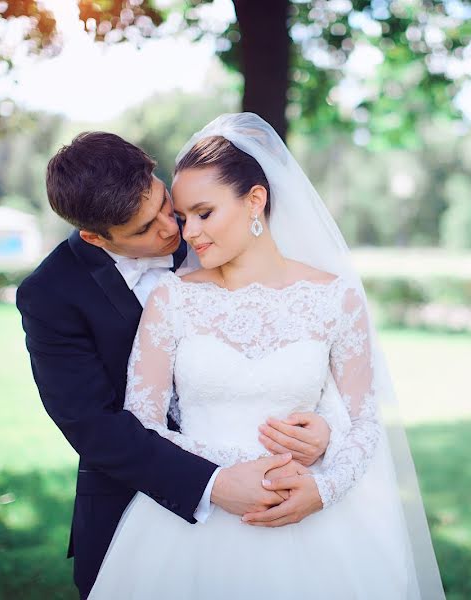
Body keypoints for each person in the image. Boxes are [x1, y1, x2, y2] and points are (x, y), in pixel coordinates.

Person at [87, 113, 445, 599]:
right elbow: (144, 423)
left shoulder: (334, 297)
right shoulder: (171, 299)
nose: (188, 232)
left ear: (255, 199)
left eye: (204, 213)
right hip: (195, 527)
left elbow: (365, 420)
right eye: (184, 215)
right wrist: (229, 475)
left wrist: (324, 487)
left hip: (317, 523)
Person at [17, 131, 343, 599]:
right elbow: (92, 426)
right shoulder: (50, 296)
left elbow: (306, 342)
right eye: (143, 230)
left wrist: (325, 427)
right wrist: (213, 484)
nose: (174, 231)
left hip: (285, 499)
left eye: (164, 204)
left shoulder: (214, 226)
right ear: (94, 237)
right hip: (139, 507)